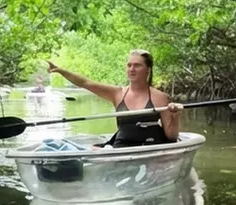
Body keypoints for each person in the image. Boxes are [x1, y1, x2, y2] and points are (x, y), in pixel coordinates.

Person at [47, 50, 184, 147]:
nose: (132, 69)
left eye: (137, 65)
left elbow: (171, 136)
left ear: (148, 69)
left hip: (150, 148)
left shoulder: (161, 98)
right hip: (122, 147)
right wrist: (61, 71)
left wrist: (175, 116)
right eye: (129, 65)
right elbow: (85, 83)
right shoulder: (117, 93)